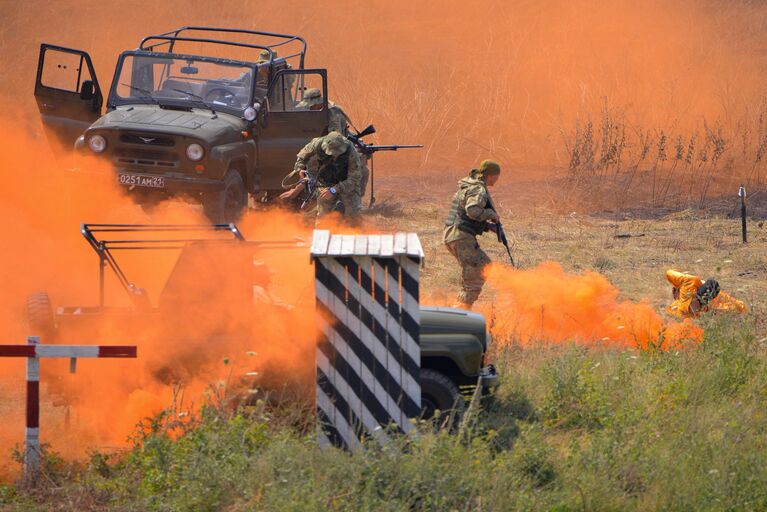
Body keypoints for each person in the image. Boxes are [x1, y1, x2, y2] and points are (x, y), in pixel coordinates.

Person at [443, 159, 503, 309]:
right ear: (490, 176)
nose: (497, 179)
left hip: (454, 234)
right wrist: (491, 214)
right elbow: (472, 211)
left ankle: (460, 308)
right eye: (497, 176)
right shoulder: (478, 190)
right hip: (461, 236)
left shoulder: (469, 185)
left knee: (475, 270)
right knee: (480, 269)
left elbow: (464, 215)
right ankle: (460, 311)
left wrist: (486, 226)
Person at [295, 88, 370, 197]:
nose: (309, 108)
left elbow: (335, 140)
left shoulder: (332, 114)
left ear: (318, 103)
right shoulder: (321, 110)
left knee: (356, 169)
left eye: (311, 105)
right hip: (333, 144)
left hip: (339, 146)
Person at [279, 131, 362, 218]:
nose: (335, 155)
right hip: (326, 180)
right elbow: (302, 155)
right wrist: (299, 168)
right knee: (323, 213)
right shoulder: (317, 143)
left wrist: (334, 189)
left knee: (353, 213)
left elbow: (354, 178)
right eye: (332, 152)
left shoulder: (351, 152)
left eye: (338, 152)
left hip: (347, 182)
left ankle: (352, 229)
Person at [665, 269, 746, 318]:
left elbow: (741, 307)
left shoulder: (718, 304)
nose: (697, 308)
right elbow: (669, 273)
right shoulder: (689, 284)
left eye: (701, 305)